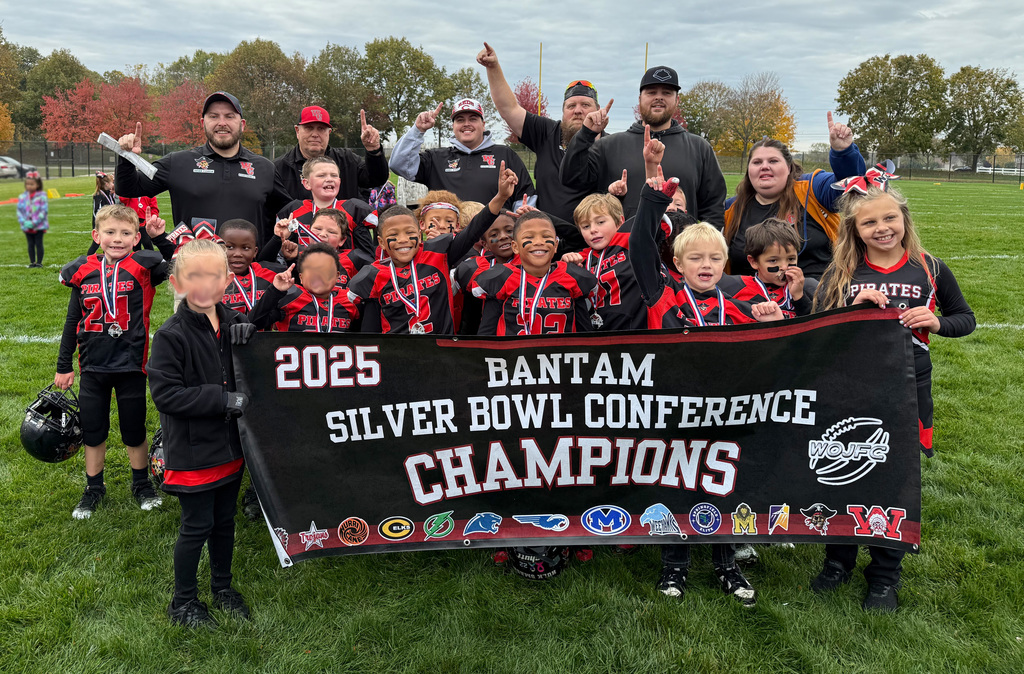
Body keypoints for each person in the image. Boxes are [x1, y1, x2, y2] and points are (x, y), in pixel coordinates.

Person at [810, 168, 975, 612]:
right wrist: (851, 307)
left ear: (904, 218)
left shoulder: (930, 267)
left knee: (895, 479)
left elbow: (966, 319)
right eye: (869, 222)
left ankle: (884, 575)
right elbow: (815, 326)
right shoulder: (843, 271)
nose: (882, 228)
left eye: (890, 218)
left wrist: (937, 322)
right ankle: (837, 561)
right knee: (841, 473)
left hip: (907, 388)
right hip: (849, 387)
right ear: (854, 229)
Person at [147, 239, 252, 628]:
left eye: (213, 276)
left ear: (227, 280)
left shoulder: (232, 321)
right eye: (194, 276)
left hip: (230, 448)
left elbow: (250, 368)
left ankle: (222, 587)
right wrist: (221, 399)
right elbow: (166, 395)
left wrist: (249, 334)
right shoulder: (171, 335)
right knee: (196, 527)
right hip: (194, 452)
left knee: (225, 522)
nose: (204, 285)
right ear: (176, 283)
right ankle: (183, 602)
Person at [55, 204, 174, 519]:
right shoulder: (83, 269)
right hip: (93, 365)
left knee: (134, 429)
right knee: (93, 430)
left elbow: (178, 265)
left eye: (125, 233)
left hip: (131, 365)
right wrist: (64, 365)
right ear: (97, 236)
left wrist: (159, 239)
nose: (117, 238)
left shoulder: (144, 265)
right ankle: (94, 488)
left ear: (136, 238)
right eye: (110, 232)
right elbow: (72, 321)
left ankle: (141, 484)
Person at [347, 162, 516, 334]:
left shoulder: (437, 253)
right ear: (382, 242)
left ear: (419, 234)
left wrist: (501, 197)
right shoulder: (373, 274)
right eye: (394, 235)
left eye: (409, 232)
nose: (403, 240)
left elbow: (473, 230)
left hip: (440, 347)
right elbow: (368, 331)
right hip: (397, 348)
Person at [115, 91, 291, 247]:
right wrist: (127, 157)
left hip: (250, 270)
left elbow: (291, 212)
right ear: (203, 123)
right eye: (214, 116)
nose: (222, 123)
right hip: (195, 268)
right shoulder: (178, 163)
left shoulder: (264, 168)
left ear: (242, 124)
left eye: (229, 116)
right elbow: (128, 189)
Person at [560, 66, 727, 224]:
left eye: (667, 93)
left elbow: (713, 208)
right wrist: (586, 134)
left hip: (680, 244)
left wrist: (708, 241)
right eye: (651, 92)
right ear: (640, 99)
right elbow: (570, 179)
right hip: (624, 243)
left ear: (677, 100)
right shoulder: (608, 146)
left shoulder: (699, 148)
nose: (658, 97)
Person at [723, 113, 865, 279]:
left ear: (789, 168)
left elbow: (851, 184)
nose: (764, 167)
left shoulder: (811, 190)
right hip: (750, 294)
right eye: (757, 162)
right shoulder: (731, 209)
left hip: (816, 290)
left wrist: (843, 152)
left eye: (773, 161)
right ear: (749, 170)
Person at [477, 42, 601, 229]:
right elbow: (509, 109)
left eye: (585, 105)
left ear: (598, 109)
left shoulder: (609, 144)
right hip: (548, 236)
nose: (577, 111)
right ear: (563, 112)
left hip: (595, 237)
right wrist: (493, 67)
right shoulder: (547, 133)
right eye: (571, 106)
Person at [389, 98, 534, 209]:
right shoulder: (436, 158)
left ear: (483, 125)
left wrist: (521, 222)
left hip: (493, 237)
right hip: (448, 237)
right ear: (453, 126)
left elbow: (525, 198)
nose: (466, 124)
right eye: (460, 120)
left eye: (473, 119)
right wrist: (418, 130)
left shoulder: (505, 154)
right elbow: (398, 165)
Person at [473, 210, 598, 336]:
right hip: (514, 349)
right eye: (529, 237)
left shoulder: (572, 277)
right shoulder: (501, 278)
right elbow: (486, 337)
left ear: (555, 245)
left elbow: (586, 337)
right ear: (515, 247)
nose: (539, 242)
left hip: (558, 349)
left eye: (546, 236)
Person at [273, 106, 389, 202]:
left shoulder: (347, 160)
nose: (315, 134)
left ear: (329, 132)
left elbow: (377, 179)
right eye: (309, 128)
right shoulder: (279, 168)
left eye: (321, 129)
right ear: (297, 131)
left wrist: (374, 150)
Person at [248, 243, 360, 333]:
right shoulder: (290, 298)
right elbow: (254, 322)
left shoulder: (349, 302)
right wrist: (275, 290)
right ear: (301, 277)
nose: (319, 276)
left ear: (337, 276)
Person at [729, 218, 818, 318]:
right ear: (754, 262)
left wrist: (799, 297)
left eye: (791, 259)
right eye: (773, 260)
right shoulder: (738, 289)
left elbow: (815, 325)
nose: (784, 267)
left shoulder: (809, 287)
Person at [219, 219, 283, 315]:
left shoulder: (272, 275)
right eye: (230, 247)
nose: (238, 254)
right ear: (219, 248)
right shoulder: (211, 279)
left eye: (245, 248)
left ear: (255, 252)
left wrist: (291, 259)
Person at [89, 172, 154, 254]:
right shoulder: (99, 195)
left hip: (113, 222)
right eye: (112, 183)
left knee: (145, 241)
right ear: (107, 184)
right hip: (102, 223)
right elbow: (97, 211)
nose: (113, 185)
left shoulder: (108, 193)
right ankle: (88, 257)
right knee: (97, 242)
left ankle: (107, 256)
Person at [17, 170, 48, 268]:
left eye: (32, 184)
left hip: (39, 226)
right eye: (27, 184)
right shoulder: (22, 197)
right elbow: (20, 210)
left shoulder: (42, 196)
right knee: (30, 244)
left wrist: (35, 222)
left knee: (38, 243)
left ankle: (39, 262)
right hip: (27, 226)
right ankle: (32, 262)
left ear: (38, 185)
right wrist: (23, 222)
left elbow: (43, 210)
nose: (29, 186)